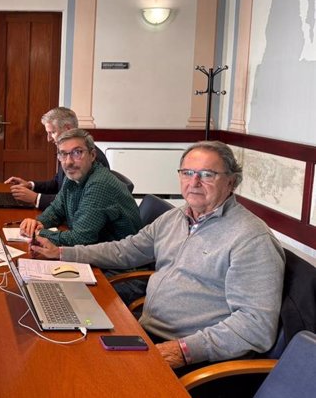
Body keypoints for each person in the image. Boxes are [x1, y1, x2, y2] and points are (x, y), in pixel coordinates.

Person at [31, 141, 285, 370]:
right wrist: (64, 253)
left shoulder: (251, 238)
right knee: (61, 353)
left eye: (207, 174)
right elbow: (127, 249)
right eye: (187, 173)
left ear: (231, 181)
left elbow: (255, 325)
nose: (194, 182)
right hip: (146, 331)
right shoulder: (177, 216)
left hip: (192, 355)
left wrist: (182, 351)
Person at [19, 128, 141, 247]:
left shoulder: (100, 184)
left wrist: (39, 233)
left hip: (116, 261)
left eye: (77, 153)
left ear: (92, 155)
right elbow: (57, 209)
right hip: (94, 251)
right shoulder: (73, 176)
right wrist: (39, 222)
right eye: (63, 154)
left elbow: (80, 239)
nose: (68, 162)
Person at [4, 107, 109, 210]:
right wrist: (31, 185)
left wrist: (36, 198)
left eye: (52, 132)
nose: (49, 139)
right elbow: (57, 183)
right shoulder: (67, 152)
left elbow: (78, 201)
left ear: (68, 129)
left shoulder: (90, 158)